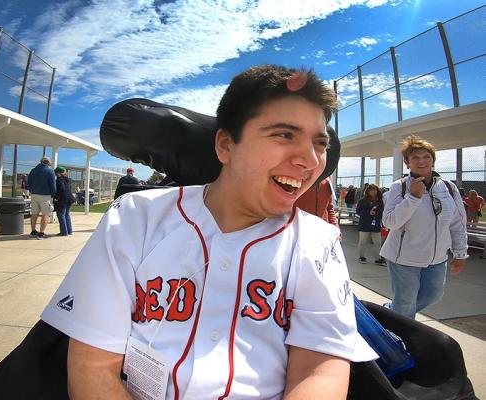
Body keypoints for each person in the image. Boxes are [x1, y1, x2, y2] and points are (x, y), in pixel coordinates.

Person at [41, 65, 376, 400]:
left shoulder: (318, 242)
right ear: (226, 146)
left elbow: (321, 369)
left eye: (320, 143)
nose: (310, 159)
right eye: (284, 135)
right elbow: (93, 367)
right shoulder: (134, 217)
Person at [380, 135, 468, 319]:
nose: (422, 161)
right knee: (406, 303)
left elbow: (457, 223)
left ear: (433, 160)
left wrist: (460, 253)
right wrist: (413, 198)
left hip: (437, 260)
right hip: (404, 259)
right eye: (415, 158)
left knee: (433, 296)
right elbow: (390, 222)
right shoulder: (400, 187)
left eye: (426, 157)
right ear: (407, 163)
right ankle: (402, 338)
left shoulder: (449, 188)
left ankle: (393, 312)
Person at [356, 183, 386, 265]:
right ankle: (362, 257)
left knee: (377, 242)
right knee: (362, 242)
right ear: (368, 191)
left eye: (375, 190)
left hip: (375, 225)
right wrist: (368, 212)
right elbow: (358, 211)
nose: (373, 192)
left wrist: (383, 222)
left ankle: (378, 258)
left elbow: (382, 212)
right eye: (371, 190)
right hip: (364, 224)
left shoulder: (379, 202)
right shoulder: (362, 201)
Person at [27, 157, 56, 240]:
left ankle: (33, 231)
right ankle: (41, 233)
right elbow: (53, 186)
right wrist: (53, 195)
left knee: (34, 213)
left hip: (34, 195)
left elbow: (28, 183)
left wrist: (32, 190)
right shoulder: (50, 171)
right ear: (48, 163)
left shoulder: (33, 170)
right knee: (45, 214)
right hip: (45, 195)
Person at [53, 166, 75, 236]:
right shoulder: (68, 179)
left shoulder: (59, 180)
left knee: (61, 216)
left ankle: (64, 232)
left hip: (62, 200)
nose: (55, 174)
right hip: (69, 200)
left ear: (59, 173)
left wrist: (56, 198)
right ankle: (69, 231)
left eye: (56, 173)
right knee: (67, 215)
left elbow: (61, 189)